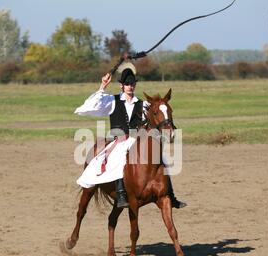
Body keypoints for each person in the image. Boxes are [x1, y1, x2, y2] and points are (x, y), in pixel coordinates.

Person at [74, 68, 186, 209]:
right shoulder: (112, 100)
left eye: (132, 84)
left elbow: (155, 115)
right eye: (127, 84)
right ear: (122, 85)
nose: (130, 86)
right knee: (120, 156)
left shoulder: (142, 104)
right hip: (119, 140)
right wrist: (103, 86)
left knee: (162, 159)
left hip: (137, 139)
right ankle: (121, 193)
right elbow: (94, 104)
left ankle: (171, 195)